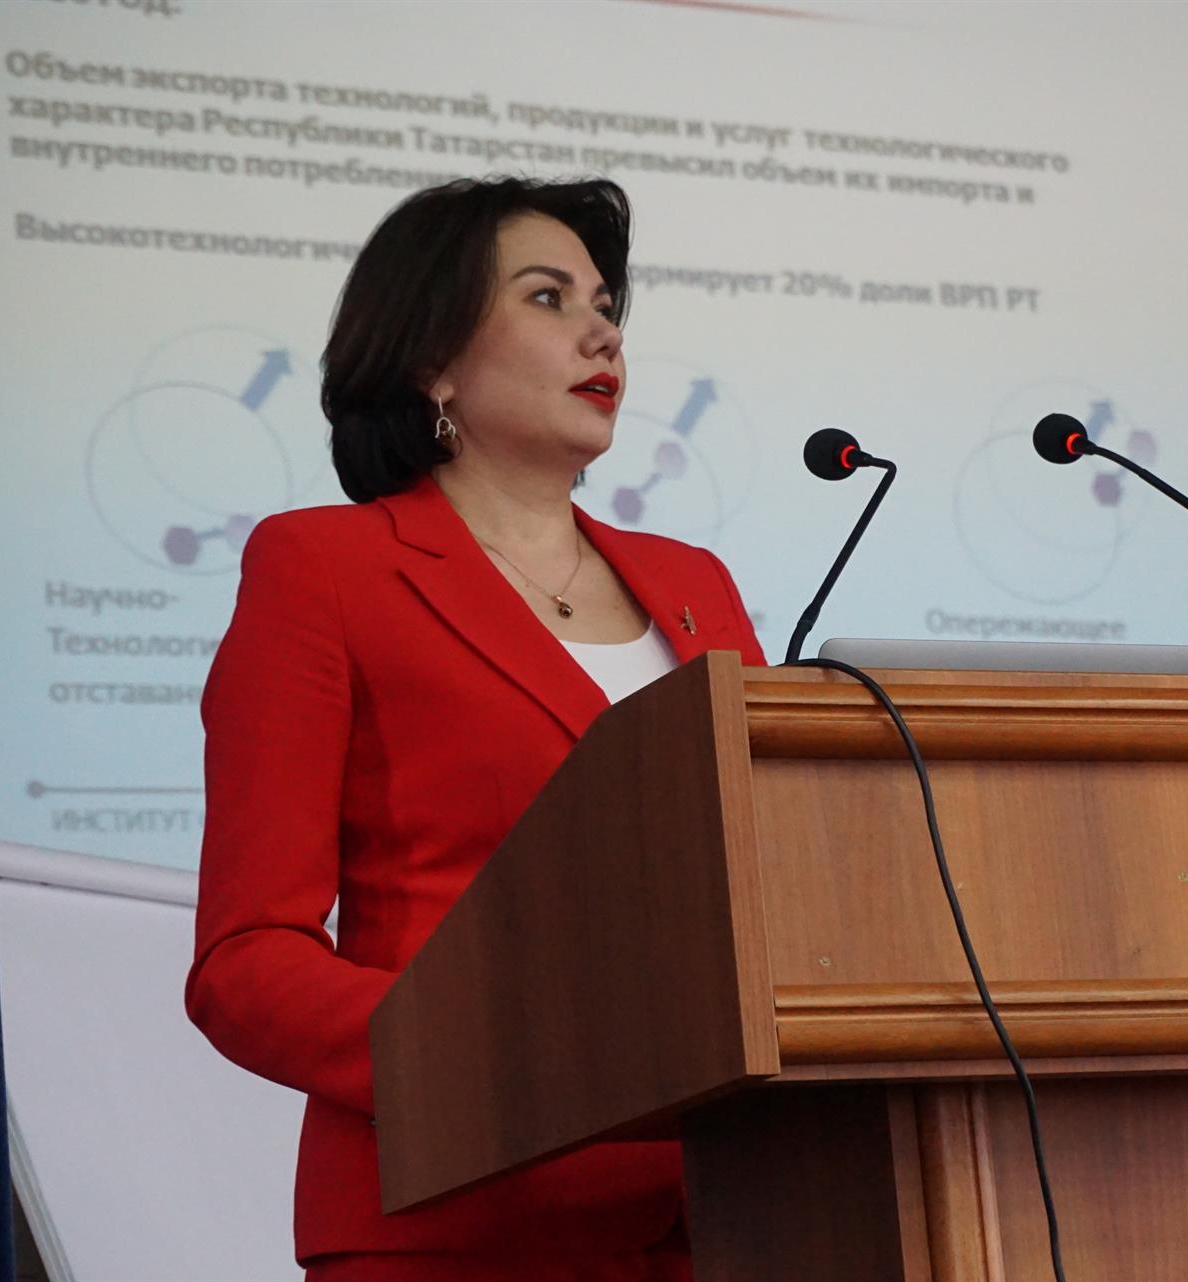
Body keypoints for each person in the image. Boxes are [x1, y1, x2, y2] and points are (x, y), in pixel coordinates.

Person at [185, 176, 766, 1282]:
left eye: (606, 305)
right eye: (549, 298)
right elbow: (244, 963)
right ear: (432, 361)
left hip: (725, 1220)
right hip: (461, 1222)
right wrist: (498, 1060)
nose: (602, 332)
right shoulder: (326, 570)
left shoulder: (699, 586)